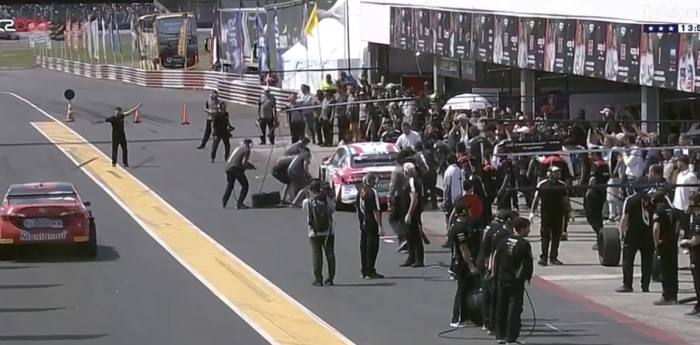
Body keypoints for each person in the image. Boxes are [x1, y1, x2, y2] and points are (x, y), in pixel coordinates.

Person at [477, 209, 519, 334]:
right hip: (489, 264)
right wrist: (493, 269)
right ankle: (492, 323)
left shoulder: (489, 227)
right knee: (493, 296)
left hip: (482, 260)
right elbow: (495, 253)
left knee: (487, 295)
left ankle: (487, 321)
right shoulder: (500, 234)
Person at [493, 217, 533, 345]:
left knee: (501, 308)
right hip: (515, 281)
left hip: (501, 278)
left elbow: (496, 259)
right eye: (527, 228)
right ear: (520, 229)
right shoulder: (524, 244)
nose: (529, 231)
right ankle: (511, 337)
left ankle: (500, 335)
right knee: (514, 309)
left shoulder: (502, 241)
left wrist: (495, 274)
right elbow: (527, 263)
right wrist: (527, 277)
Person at [448, 199, 481, 328]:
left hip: (459, 262)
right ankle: (458, 318)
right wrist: (471, 266)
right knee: (462, 290)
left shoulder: (457, 226)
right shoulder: (460, 228)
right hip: (462, 264)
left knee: (467, 289)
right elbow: (463, 249)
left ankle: (467, 316)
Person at [530, 166, 571, 266]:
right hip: (546, 214)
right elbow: (536, 199)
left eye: (559, 172)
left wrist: (570, 211)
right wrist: (532, 212)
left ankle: (553, 257)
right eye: (556, 172)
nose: (558, 174)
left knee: (556, 236)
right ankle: (543, 257)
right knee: (545, 236)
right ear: (550, 173)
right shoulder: (542, 184)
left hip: (558, 214)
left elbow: (566, 200)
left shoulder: (562, 185)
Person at [617, 186, 655, 293]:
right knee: (647, 261)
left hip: (633, 234)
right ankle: (645, 285)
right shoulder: (651, 200)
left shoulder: (630, 200)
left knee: (628, 260)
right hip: (648, 233)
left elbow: (625, 217)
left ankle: (627, 284)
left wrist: (622, 232)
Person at [303, 179, 336, 286]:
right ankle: (330, 278)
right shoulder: (326, 199)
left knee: (317, 255)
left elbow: (306, 211)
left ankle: (318, 278)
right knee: (330, 254)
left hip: (314, 233)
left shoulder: (307, 202)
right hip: (329, 231)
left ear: (310, 189)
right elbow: (333, 209)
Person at [356, 172, 385, 279]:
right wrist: (380, 226)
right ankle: (370, 270)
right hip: (371, 223)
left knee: (363, 247)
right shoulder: (373, 193)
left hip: (362, 223)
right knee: (372, 247)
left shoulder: (360, 191)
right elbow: (376, 211)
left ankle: (364, 270)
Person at [651, 191, 678, 305]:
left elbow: (656, 227)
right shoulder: (673, 210)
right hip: (672, 242)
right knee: (673, 269)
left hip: (663, 243)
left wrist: (656, 242)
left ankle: (666, 296)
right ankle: (674, 295)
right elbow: (677, 225)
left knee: (664, 270)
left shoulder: (659, 212)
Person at [400, 162, 424, 267]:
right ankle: (411, 257)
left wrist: (409, 213)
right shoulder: (409, 181)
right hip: (406, 212)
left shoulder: (412, 181)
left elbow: (414, 198)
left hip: (412, 213)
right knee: (409, 235)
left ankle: (419, 259)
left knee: (415, 235)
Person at [680, 192, 700, 316]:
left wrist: (685, 242)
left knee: (698, 282)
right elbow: (686, 211)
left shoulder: (698, 219)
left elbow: (696, 241)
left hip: (697, 255)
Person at [585, 151, 610, 250]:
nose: (589, 156)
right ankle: (600, 239)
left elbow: (592, 179)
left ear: (595, 155)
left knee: (591, 216)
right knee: (598, 216)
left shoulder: (595, 165)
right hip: (603, 192)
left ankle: (601, 238)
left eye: (591, 154)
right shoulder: (605, 164)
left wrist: (588, 191)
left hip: (594, 193)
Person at [105, 103, 142, 168]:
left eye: (119, 111)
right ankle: (114, 163)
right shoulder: (112, 118)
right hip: (115, 137)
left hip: (122, 136)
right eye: (117, 111)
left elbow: (129, 112)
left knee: (125, 150)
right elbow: (105, 120)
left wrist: (137, 107)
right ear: (115, 111)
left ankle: (125, 163)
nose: (118, 112)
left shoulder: (121, 116)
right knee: (115, 150)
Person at [223, 139, 256, 209]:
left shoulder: (238, 148)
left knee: (230, 185)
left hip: (228, 168)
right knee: (245, 185)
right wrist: (251, 167)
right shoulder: (246, 149)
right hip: (235, 169)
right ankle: (239, 203)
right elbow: (244, 162)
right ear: (249, 144)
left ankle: (224, 202)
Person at [389, 153, 409, 252]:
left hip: (398, 197)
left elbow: (393, 185)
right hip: (407, 196)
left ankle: (402, 237)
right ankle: (406, 239)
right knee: (402, 219)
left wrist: (389, 196)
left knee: (393, 219)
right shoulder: (407, 170)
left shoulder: (397, 171)